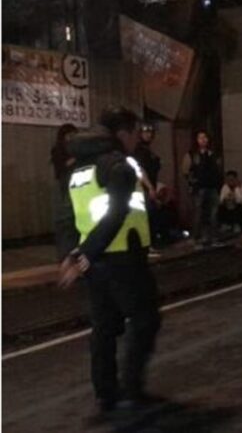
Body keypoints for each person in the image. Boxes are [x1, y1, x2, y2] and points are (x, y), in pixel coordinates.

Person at [58, 108, 161, 416]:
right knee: (145, 320)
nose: (136, 139)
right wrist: (83, 254)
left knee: (104, 327)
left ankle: (106, 393)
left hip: (95, 263)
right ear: (123, 133)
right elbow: (116, 213)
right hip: (123, 259)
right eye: (134, 132)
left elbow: (65, 217)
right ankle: (131, 389)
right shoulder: (118, 165)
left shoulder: (77, 170)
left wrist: (74, 254)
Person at [182, 130, 223, 247]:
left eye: (205, 137)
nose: (203, 140)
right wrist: (192, 182)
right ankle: (197, 238)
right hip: (199, 188)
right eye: (200, 138)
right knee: (198, 213)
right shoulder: (191, 154)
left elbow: (218, 168)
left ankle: (213, 237)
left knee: (213, 213)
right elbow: (185, 170)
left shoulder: (213, 154)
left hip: (212, 187)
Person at [50, 123, 79, 260]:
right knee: (66, 221)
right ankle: (66, 255)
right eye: (69, 135)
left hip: (77, 185)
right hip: (64, 184)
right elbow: (61, 167)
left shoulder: (77, 148)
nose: (72, 138)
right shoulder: (58, 150)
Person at [133, 122, 163, 248]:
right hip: (144, 188)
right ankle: (148, 245)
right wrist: (150, 187)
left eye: (150, 132)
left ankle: (151, 243)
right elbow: (140, 170)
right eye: (145, 132)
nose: (148, 135)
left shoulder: (149, 150)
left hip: (152, 185)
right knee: (147, 216)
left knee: (152, 215)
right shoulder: (139, 151)